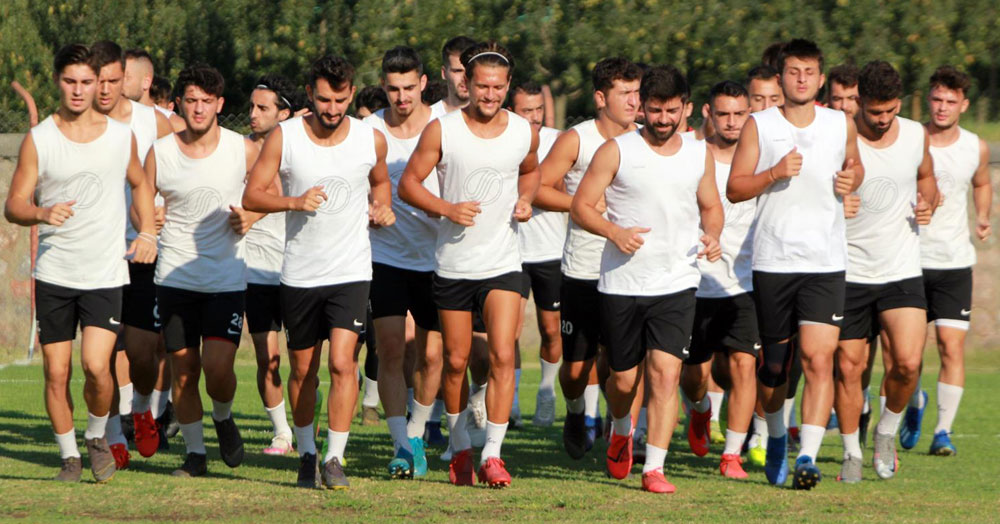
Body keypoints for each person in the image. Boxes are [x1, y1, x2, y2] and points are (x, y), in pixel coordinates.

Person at [4, 43, 158, 482]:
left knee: (96, 366)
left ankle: (96, 435)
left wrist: (147, 231)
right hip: (54, 274)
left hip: (105, 272)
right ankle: (70, 457)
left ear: (99, 85)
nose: (78, 90)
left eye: (86, 82)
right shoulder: (41, 139)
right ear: (58, 81)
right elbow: (14, 204)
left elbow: (141, 183)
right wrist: (40, 212)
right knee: (56, 371)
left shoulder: (118, 136)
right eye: (70, 81)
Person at [243, 54, 394, 489]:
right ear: (310, 94)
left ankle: (334, 458)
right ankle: (306, 452)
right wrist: (293, 202)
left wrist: (380, 206)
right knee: (304, 371)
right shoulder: (285, 137)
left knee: (345, 363)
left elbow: (380, 182)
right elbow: (253, 194)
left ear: (351, 93)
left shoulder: (370, 139)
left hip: (351, 270)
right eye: (324, 100)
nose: (332, 109)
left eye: (341, 99)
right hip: (300, 275)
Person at [571, 64, 723, 493]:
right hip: (622, 283)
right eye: (654, 110)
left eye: (671, 110)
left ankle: (654, 467)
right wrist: (614, 232)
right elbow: (581, 206)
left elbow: (711, 206)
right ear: (641, 108)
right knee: (622, 380)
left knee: (664, 374)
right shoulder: (616, 151)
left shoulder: (698, 153)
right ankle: (620, 427)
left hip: (677, 281)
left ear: (687, 108)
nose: (662, 119)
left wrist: (712, 236)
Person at [399, 41, 540, 489]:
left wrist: (526, 198)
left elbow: (532, 169)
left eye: (498, 87)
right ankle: (460, 448)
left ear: (507, 86)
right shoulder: (443, 130)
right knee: (455, 363)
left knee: (501, 355)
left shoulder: (522, 130)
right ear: (467, 84)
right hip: (454, 265)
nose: (490, 94)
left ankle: (493, 455)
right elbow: (408, 184)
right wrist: (445, 208)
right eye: (483, 86)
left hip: (503, 262)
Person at [727, 38, 863, 490]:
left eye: (809, 71)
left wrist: (852, 178)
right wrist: (774, 173)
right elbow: (735, 187)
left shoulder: (839, 122)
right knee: (775, 369)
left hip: (826, 260)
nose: (801, 78)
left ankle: (807, 457)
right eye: (793, 71)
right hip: (773, 260)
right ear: (780, 77)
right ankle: (776, 434)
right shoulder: (759, 126)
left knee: (819, 359)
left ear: (821, 79)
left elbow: (855, 166)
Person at [148, 64, 261, 478]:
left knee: (217, 369)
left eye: (206, 101)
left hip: (225, 278)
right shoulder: (160, 151)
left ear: (220, 104)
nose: (198, 109)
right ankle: (196, 455)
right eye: (191, 100)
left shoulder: (241, 149)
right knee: (184, 370)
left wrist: (252, 216)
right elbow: (140, 199)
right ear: (179, 103)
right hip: (174, 276)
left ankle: (224, 416)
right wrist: (149, 219)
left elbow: (271, 192)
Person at [834, 60, 936, 483]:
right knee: (849, 369)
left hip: (900, 268)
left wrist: (930, 200)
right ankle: (851, 454)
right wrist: (836, 199)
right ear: (859, 102)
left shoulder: (914, 133)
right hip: (848, 271)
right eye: (875, 112)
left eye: (891, 110)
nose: (883, 120)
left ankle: (886, 434)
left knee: (909, 364)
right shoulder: (837, 134)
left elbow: (927, 178)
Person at [535, 57, 642, 459]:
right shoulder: (576, 139)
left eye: (637, 92)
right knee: (578, 369)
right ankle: (577, 413)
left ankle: (622, 434)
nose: (634, 101)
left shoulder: (647, 140)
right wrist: (581, 204)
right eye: (624, 93)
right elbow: (539, 189)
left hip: (632, 271)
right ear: (601, 98)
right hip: (582, 268)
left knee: (626, 363)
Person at [90, 40, 174, 467]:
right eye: (97, 80)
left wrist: (161, 208)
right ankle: (107, 431)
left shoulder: (153, 122)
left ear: (125, 78)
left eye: (111, 80)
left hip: (140, 250)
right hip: (95, 254)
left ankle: (141, 407)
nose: (104, 89)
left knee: (142, 353)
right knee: (99, 354)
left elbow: (182, 171)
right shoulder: (79, 125)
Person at [363, 45, 445, 478]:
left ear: (423, 84)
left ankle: (417, 430)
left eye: (409, 88)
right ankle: (401, 445)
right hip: (386, 256)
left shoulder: (444, 126)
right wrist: (370, 212)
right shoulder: (367, 130)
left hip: (437, 258)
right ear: (383, 86)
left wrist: (442, 207)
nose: (401, 97)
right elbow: (348, 189)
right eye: (393, 88)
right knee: (391, 350)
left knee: (431, 357)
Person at [906, 65, 992, 456]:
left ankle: (943, 432)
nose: (942, 107)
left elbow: (982, 182)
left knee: (950, 346)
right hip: (907, 259)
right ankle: (913, 403)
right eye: (937, 99)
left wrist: (984, 214)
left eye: (951, 102)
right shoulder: (909, 138)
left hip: (954, 262)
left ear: (964, 105)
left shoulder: (975, 146)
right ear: (928, 99)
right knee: (905, 355)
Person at [681, 80, 757, 480]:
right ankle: (699, 409)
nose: (731, 122)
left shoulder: (761, 160)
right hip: (694, 282)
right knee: (695, 376)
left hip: (743, 285)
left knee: (745, 365)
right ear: (707, 113)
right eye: (723, 113)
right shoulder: (689, 156)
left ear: (750, 116)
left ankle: (731, 456)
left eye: (739, 114)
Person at [246, 73, 299, 456]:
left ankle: (311, 429)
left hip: (299, 269)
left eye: (263, 108)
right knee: (267, 357)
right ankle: (282, 433)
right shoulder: (238, 151)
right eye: (251, 106)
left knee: (303, 359)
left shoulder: (301, 151)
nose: (253, 114)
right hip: (255, 272)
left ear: (285, 114)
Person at [507, 80, 563, 428]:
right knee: (507, 331)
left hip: (551, 251)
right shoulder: (503, 140)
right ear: (513, 111)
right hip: (510, 252)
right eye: (527, 111)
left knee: (552, 329)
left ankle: (546, 392)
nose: (535, 117)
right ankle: (510, 403)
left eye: (539, 109)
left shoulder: (558, 142)